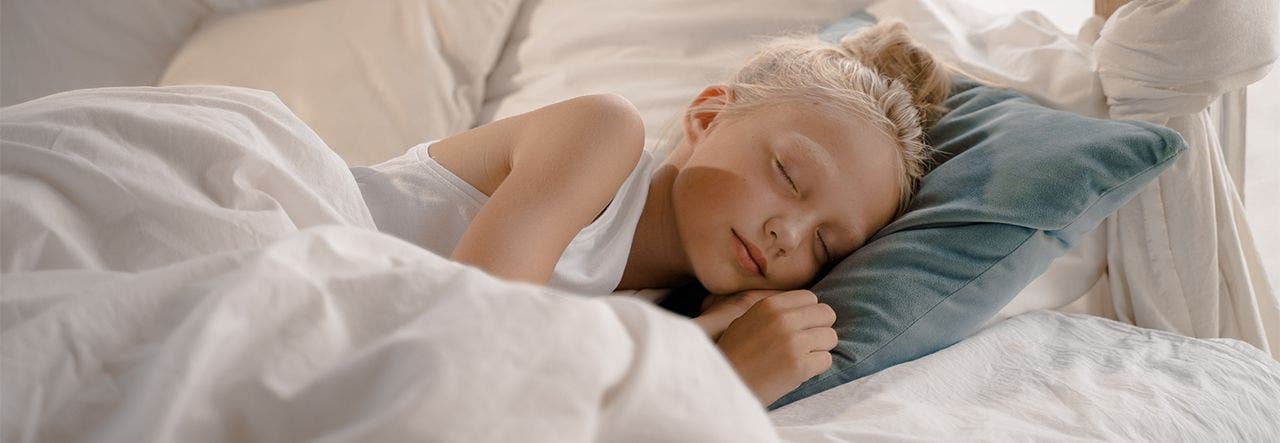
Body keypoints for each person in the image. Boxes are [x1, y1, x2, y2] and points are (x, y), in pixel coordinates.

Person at [350, 21, 951, 406]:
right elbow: (469, 347)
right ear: (709, 117)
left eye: (828, 246)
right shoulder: (600, 134)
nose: (788, 235)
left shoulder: (652, 313)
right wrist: (715, 371)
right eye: (789, 176)